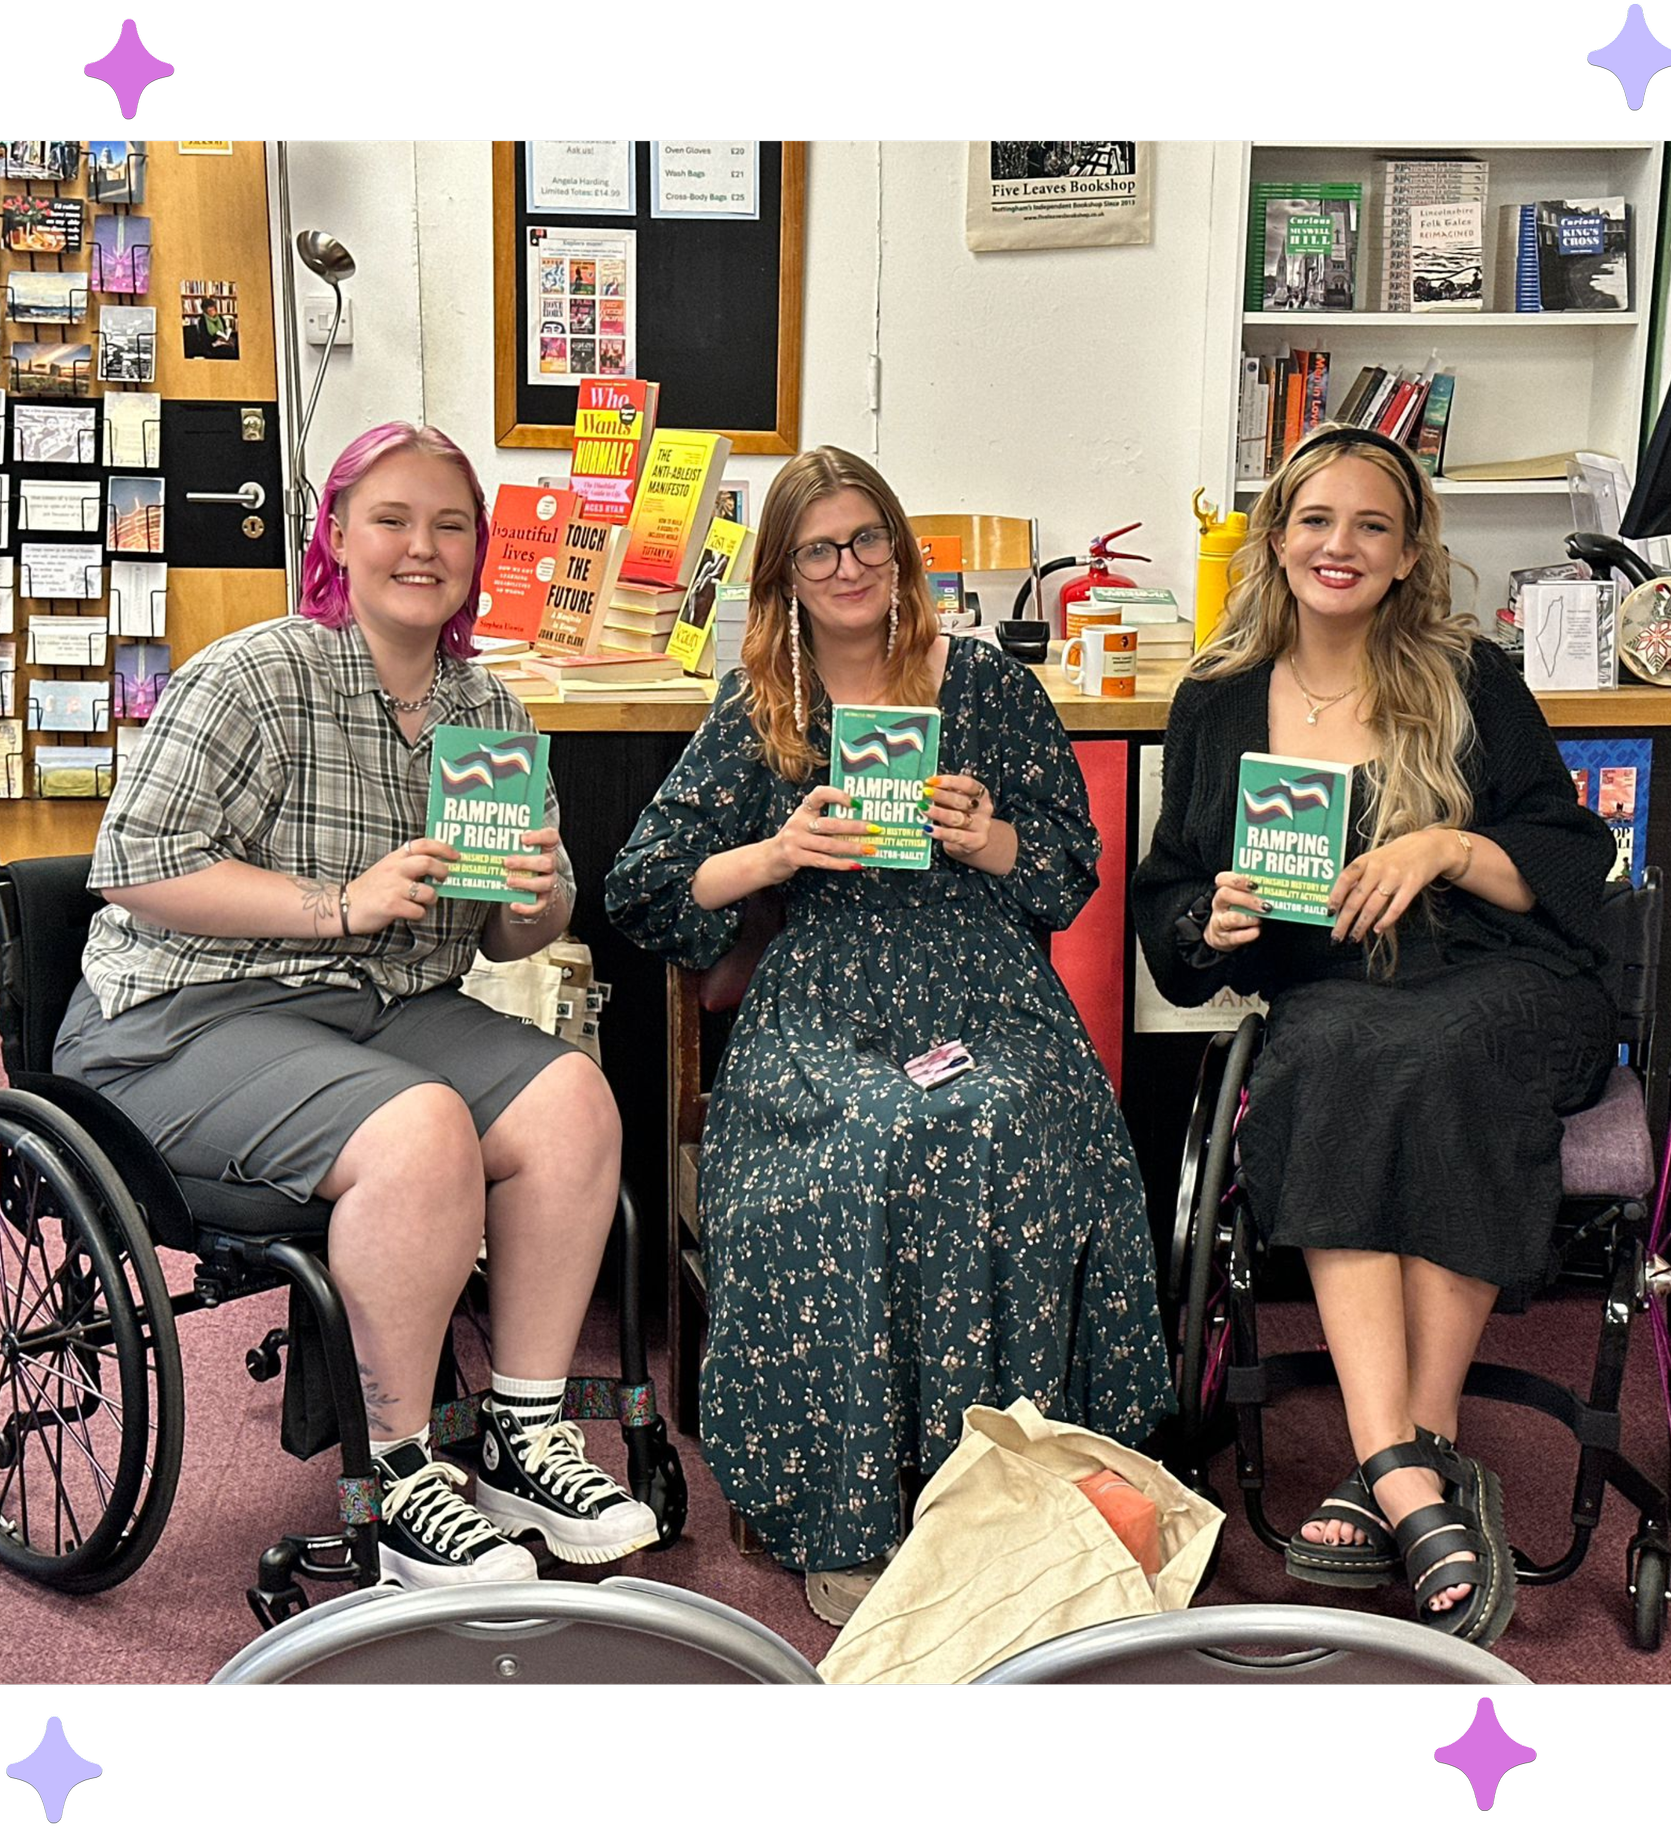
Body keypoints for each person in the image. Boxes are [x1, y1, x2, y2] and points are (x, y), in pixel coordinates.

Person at [51, 421, 658, 1592]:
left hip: (382, 1010)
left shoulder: (490, 711)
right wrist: (337, 903)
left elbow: (509, 932)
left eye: (450, 525)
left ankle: (523, 1437)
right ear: (336, 535)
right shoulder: (255, 675)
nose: (421, 547)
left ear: (481, 553)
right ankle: (398, 1472)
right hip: (185, 1018)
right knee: (421, 1124)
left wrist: (536, 895)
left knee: (574, 1100)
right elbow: (134, 863)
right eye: (392, 518)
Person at [606, 446, 1173, 1626]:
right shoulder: (762, 706)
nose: (849, 564)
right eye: (819, 548)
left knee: (1010, 1120)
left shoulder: (982, 688)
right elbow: (643, 886)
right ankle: (853, 1505)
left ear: (901, 554)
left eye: (868, 539)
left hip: (980, 981)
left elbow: (1069, 876)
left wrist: (990, 841)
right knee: (866, 1137)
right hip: (824, 992)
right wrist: (777, 854)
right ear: (786, 576)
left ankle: (1026, 1495)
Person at [1130, 424, 1617, 1649]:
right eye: (1314, 521)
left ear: (1407, 556)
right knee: (1338, 1052)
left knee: (1432, 1055)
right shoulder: (1219, 697)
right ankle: (1415, 1474)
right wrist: (1215, 914)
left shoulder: (1469, 676)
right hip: (1335, 991)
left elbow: (1571, 859)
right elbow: (1171, 895)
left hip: (1503, 979)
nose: (1337, 546)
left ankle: (1396, 1462)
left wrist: (1443, 844)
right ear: (1276, 539)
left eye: (1370, 527)